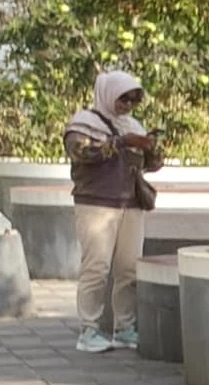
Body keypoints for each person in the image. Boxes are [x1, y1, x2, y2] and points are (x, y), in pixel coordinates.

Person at [62, 69, 163, 353]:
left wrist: (150, 147)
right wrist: (121, 142)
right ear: (109, 95)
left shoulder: (133, 125)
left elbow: (149, 165)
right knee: (96, 267)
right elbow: (81, 152)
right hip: (95, 203)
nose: (127, 106)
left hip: (130, 203)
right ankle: (89, 329)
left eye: (133, 100)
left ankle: (125, 328)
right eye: (123, 99)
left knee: (128, 269)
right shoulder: (84, 123)